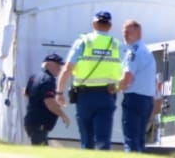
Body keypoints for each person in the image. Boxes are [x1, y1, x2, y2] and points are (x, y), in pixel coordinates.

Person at [56, 11, 122, 150]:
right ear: (110, 26)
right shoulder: (117, 45)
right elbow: (127, 71)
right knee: (103, 140)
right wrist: (118, 88)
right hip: (107, 95)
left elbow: (68, 68)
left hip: (84, 96)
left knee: (87, 140)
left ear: (93, 23)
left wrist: (59, 92)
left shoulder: (84, 42)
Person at [118, 20, 156, 152]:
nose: (125, 34)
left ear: (138, 32)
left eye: (128, 31)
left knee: (131, 140)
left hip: (134, 99)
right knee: (139, 139)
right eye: (124, 32)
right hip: (146, 100)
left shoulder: (133, 52)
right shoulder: (146, 50)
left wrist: (115, 88)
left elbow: (127, 77)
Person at [24, 53, 70, 145]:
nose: (59, 68)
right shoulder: (48, 80)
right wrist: (63, 116)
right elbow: (49, 103)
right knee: (40, 152)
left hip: (32, 121)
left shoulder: (34, 77)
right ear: (48, 64)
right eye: (57, 65)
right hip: (39, 124)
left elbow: (26, 93)